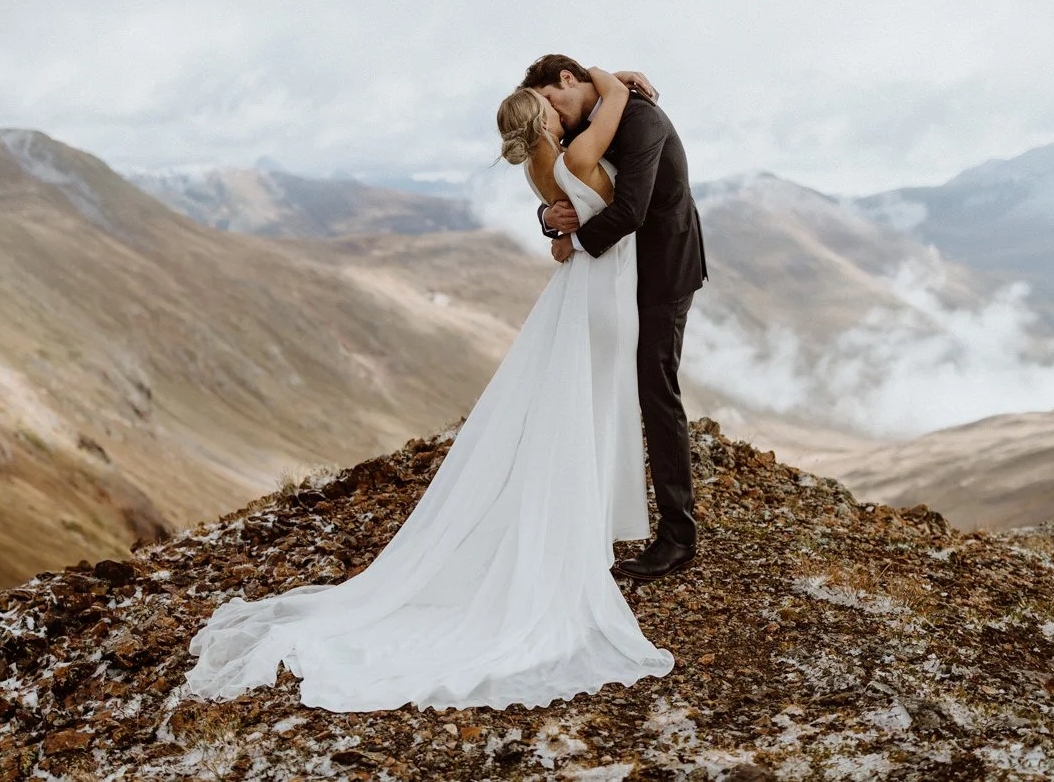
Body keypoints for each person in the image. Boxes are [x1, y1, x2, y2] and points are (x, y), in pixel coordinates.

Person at [184, 63, 675, 711]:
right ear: (548, 115)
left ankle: (581, 527)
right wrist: (617, 78)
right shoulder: (583, 149)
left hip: (585, 285)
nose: (567, 111)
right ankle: (578, 537)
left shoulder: (542, 169)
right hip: (606, 294)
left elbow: (564, 236)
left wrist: (563, 232)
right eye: (555, 104)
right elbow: (611, 112)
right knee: (591, 408)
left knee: (574, 409)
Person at [522, 54, 708, 582]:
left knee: (656, 387)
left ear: (567, 79)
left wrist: (572, 244)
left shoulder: (642, 118)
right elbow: (570, 185)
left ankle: (677, 538)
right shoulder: (594, 121)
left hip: (664, 270)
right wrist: (549, 218)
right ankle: (602, 509)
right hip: (618, 273)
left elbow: (631, 210)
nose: (555, 117)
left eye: (553, 101)